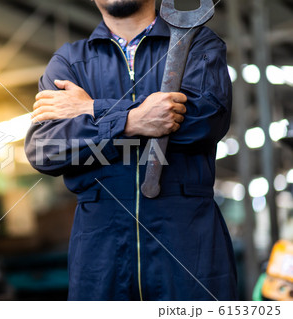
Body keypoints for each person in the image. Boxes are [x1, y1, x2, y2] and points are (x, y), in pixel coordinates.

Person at [25, 0, 237, 301]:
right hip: (99, 252)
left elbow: (205, 120)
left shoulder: (198, 42)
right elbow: (44, 149)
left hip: (188, 243)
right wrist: (133, 120)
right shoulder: (70, 62)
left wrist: (92, 108)